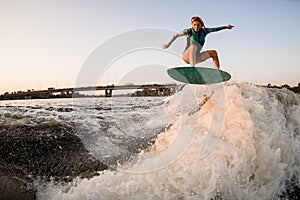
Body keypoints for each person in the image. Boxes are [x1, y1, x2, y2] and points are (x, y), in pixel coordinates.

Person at [162, 16, 234, 69]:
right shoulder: (189, 31)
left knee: (214, 53)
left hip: (196, 57)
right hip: (186, 57)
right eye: (194, 25)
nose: (196, 27)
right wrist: (168, 44)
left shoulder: (205, 31)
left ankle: (218, 72)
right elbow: (176, 35)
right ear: (192, 25)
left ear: (201, 25)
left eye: (198, 25)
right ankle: (192, 69)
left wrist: (226, 27)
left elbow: (216, 29)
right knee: (194, 46)